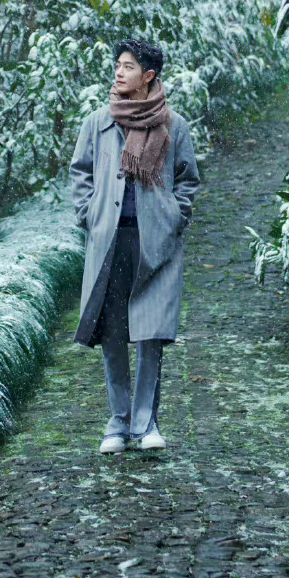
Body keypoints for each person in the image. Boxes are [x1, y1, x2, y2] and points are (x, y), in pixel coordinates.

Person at [69, 38, 201, 452]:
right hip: (110, 240)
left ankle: (146, 425)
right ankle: (117, 421)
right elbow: (81, 172)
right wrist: (88, 214)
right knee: (113, 332)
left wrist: (176, 217)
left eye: (128, 67)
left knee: (150, 333)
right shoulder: (98, 122)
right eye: (117, 65)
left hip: (155, 242)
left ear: (149, 76)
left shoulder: (173, 126)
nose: (118, 72)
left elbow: (188, 179)